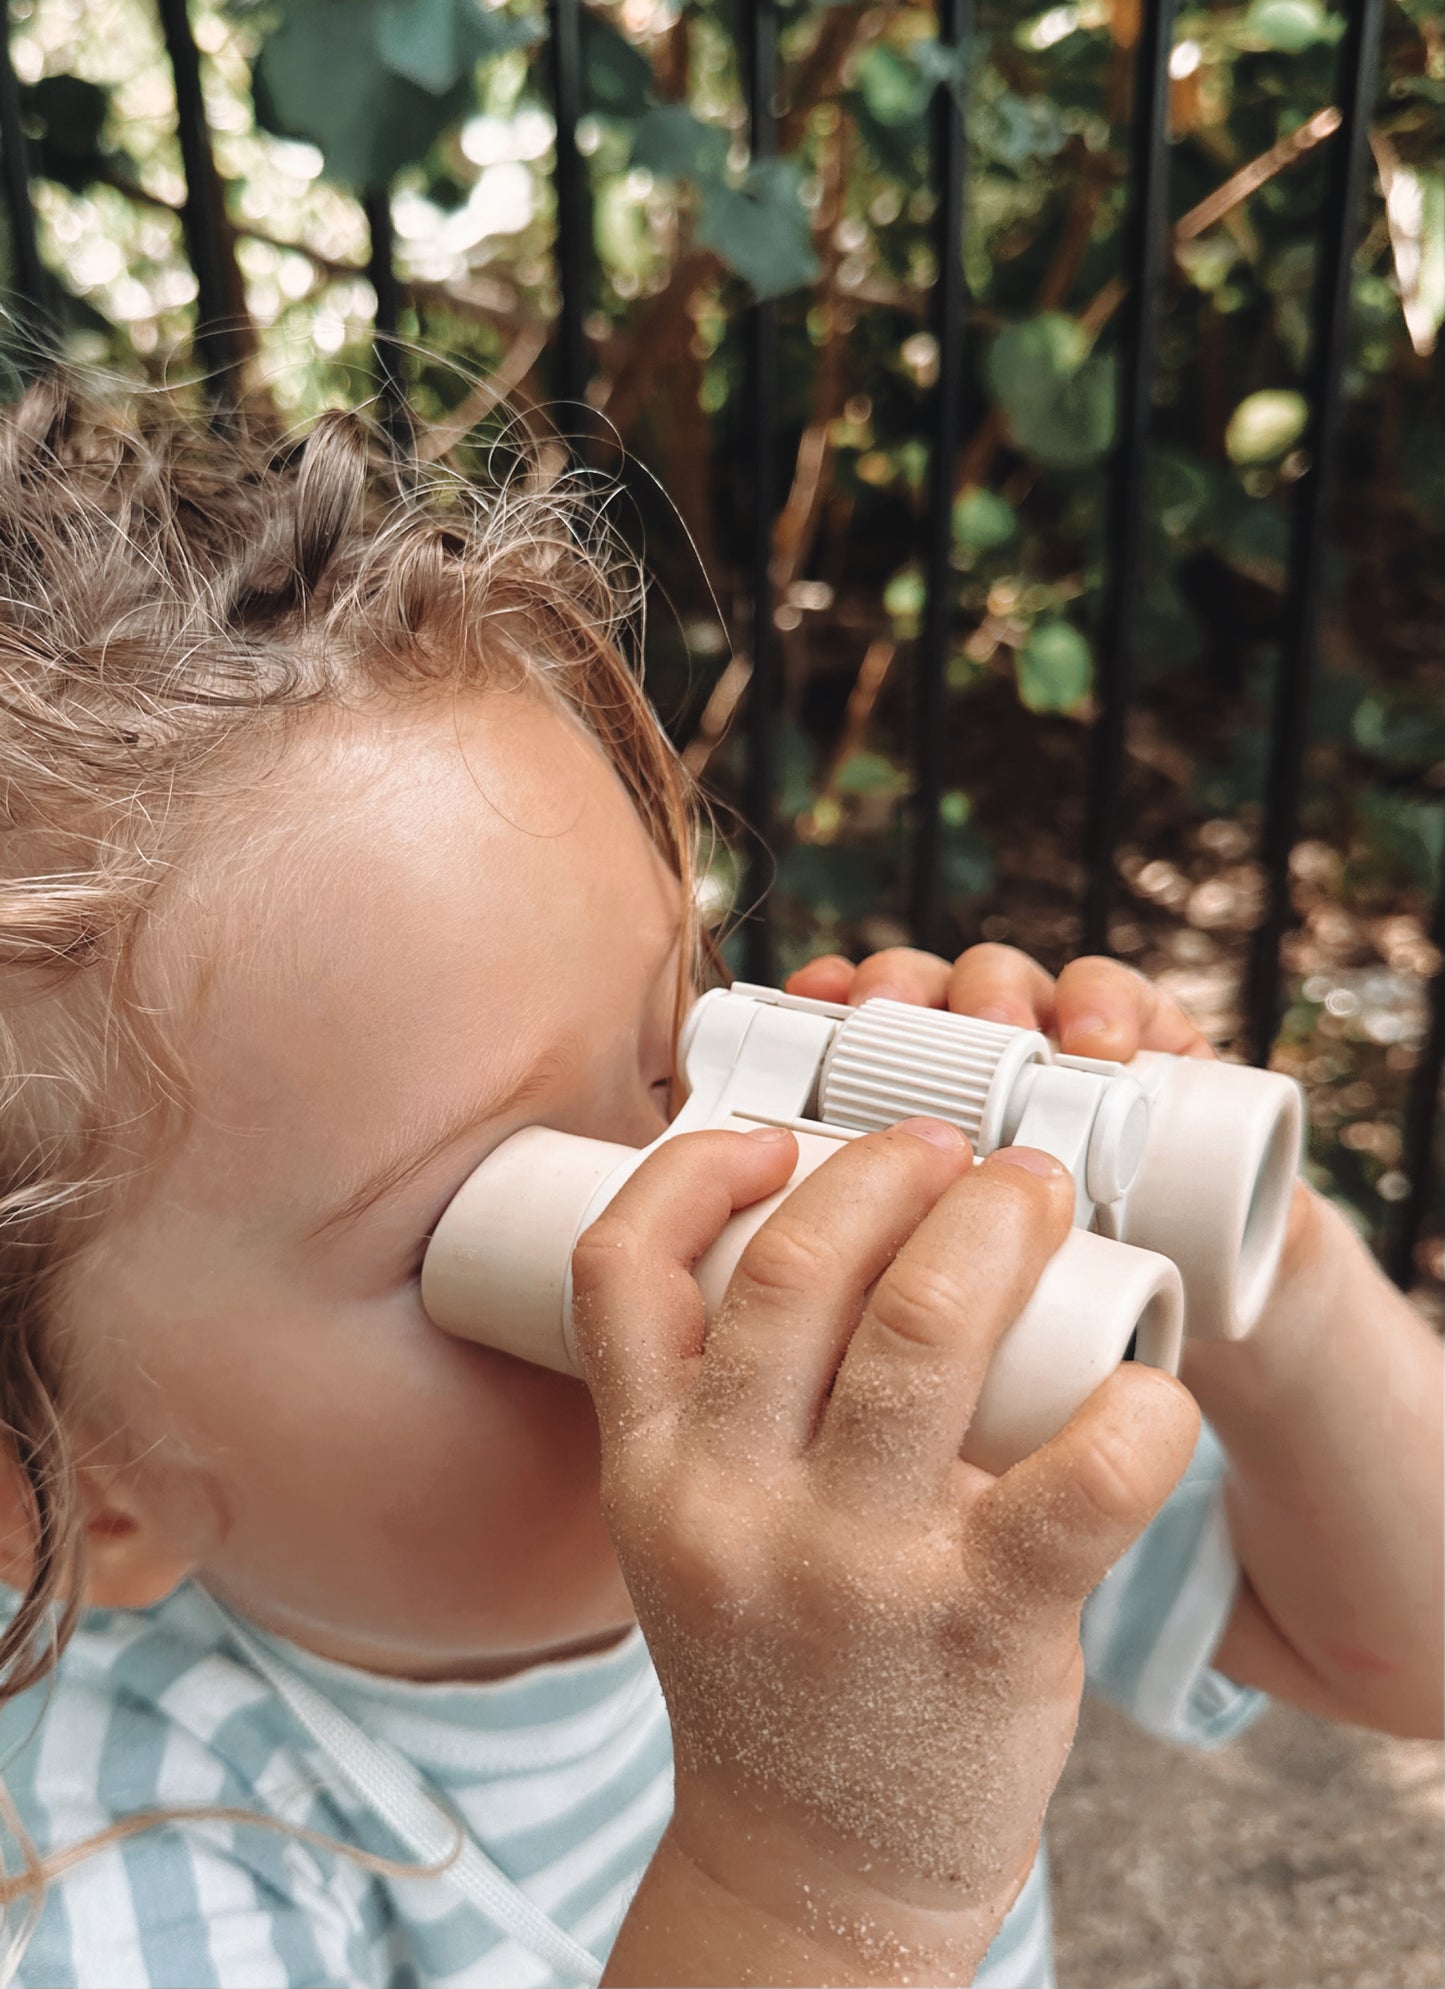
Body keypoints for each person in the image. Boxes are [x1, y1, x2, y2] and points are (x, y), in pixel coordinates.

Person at [0, 375, 1437, 1989]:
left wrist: (1272, 1277)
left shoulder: (885, 1466)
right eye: (501, 1215)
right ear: (71, 1479)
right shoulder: (115, 1862)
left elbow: (1406, 1649)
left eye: (683, 1061)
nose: (706, 1216)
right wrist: (810, 1881)